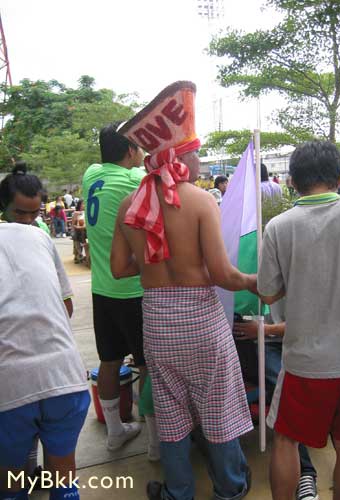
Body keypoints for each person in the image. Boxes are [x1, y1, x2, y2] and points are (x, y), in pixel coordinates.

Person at [111, 81, 255, 500]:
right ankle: (229, 487)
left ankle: (178, 491)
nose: (198, 159)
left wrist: (155, 255)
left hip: (157, 320)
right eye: (195, 151)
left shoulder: (130, 206)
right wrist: (253, 283)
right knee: (218, 405)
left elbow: (120, 269)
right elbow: (224, 275)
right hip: (201, 322)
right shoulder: (199, 201)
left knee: (171, 412)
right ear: (178, 155)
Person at [257, 140, 340, 500]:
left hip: (305, 363)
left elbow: (267, 293)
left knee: (286, 440)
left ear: (292, 180)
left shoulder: (279, 226)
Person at [0, 181, 90, 500]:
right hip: (64, 379)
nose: (27, 220)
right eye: (19, 213)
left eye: (32, 212)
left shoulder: (37, 234)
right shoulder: (41, 235)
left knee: (10, 486)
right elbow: (66, 305)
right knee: (64, 481)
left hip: (9, 389)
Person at [82, 121, 144, 451]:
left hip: (102, 289)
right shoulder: (133, 180)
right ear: (131, 150)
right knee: (148, 364)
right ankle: (158, 442)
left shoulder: (91, 175)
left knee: (109, 360)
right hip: (132, 288)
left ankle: (115, 431)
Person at [72, 198, 87, 264]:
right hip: (78, 230)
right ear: (79, 205)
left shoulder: (87, 212)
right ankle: (79, 254)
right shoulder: (76, 213)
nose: (84, 205)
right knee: (76, 235)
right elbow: (73, 225)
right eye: (83, 204)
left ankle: (80, 255)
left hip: (85, 229)